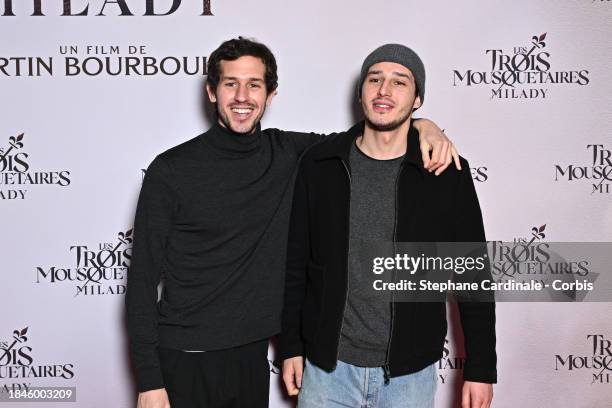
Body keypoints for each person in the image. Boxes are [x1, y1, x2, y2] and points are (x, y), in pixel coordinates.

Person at [126, 37, 459, 408]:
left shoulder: (290, 154)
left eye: (254, 85)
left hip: (251, 358)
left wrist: (424, 125)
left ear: (270, 96)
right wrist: (150, 380)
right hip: (183, 358)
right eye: (230, 83)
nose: (242, 96)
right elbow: (141, 282)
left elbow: (373, 135)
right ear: (211, 91)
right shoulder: (171, 170)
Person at [279, 44, 497, 408]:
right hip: (327, 370)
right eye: (375, 79)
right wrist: (290, 346)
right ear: (361, 92)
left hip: (409, 375)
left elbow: (472, 273)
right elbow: (295, 264)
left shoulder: (446, 173)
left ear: (417, 101)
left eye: (400, 82)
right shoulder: (320, 164)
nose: (384, 90)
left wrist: (481, 368)